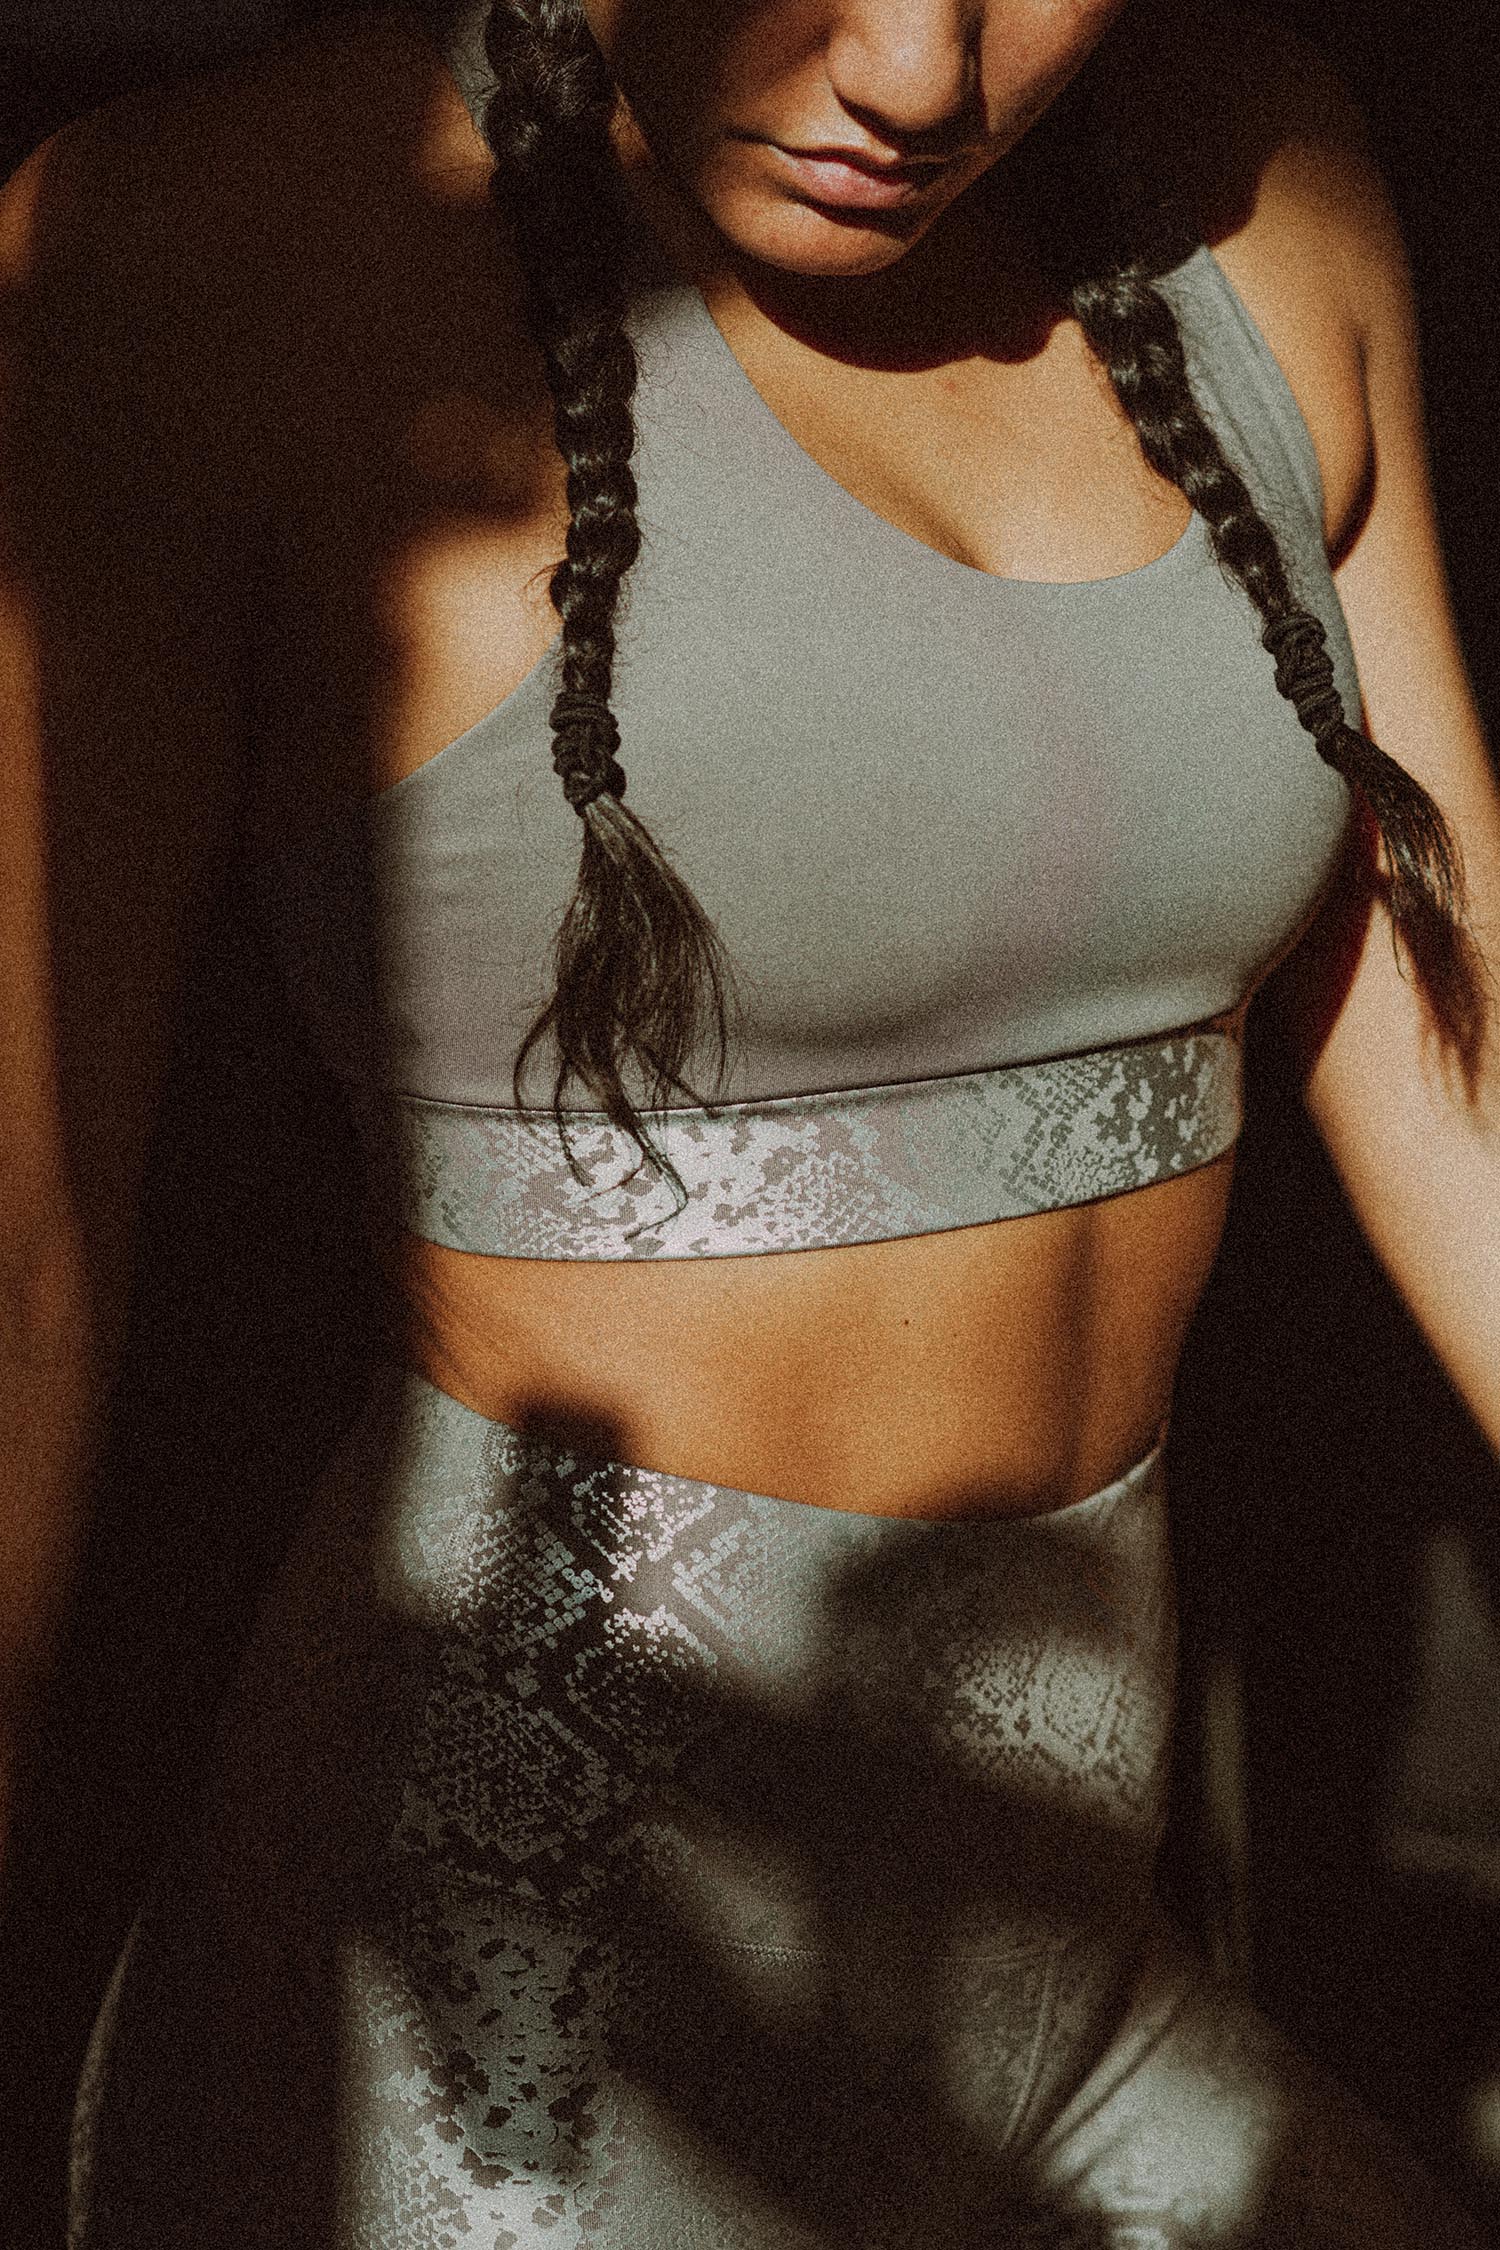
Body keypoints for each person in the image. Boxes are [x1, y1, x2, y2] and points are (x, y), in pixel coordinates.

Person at [4, 0, 1498, 2240]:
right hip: (506, 2049)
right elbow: (24, 1258)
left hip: (1069, 1976)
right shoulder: (201, 249)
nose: (915, 72)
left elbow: (1455, 1026)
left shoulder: (1260, 177)